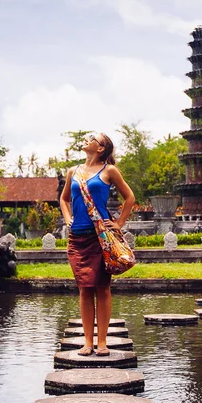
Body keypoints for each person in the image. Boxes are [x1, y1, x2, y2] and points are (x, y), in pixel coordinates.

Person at [60, 132, 135, 356]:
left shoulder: (109, 171)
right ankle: (87, 343)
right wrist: (67, 218)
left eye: (92, 138)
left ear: (101, 148)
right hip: (78, 237)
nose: (86, 139)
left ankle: (102, 342)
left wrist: (119, 224)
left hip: (100, 237)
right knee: (84, 289)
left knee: (102, 287)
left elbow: (129, 197)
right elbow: (64, 199)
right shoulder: (73, 171)